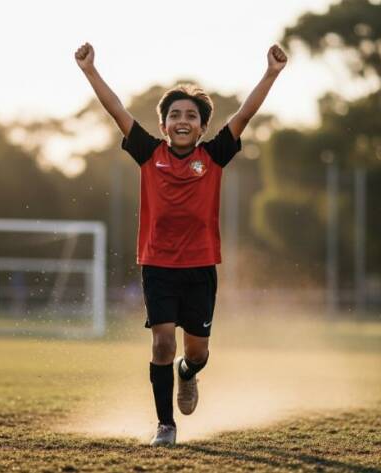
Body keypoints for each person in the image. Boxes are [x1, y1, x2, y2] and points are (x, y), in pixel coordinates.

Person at [75, 42, 287, 446]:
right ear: (164, 125)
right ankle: (165, 426)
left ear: (203, 127)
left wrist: (271, 74)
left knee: (197, 353)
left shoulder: (214, 156)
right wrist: (90, 71)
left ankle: (187, 375)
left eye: (191, 115)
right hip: (157, 265)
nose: (182, 120)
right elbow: (117, 110)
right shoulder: (147, 152)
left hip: (201, 267)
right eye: (175, 115)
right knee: (161, 341)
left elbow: (244, 114)